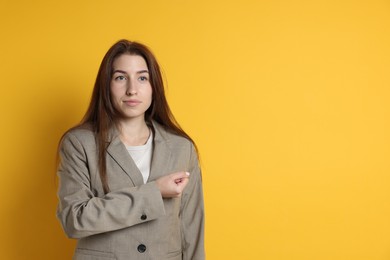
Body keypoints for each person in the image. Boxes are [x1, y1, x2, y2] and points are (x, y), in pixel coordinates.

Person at [56, 39, 205, 260]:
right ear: (106, 85)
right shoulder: (79, 143)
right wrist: (153, 193)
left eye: (142, 78)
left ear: (154, 86)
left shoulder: (182, 148)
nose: (132, 89)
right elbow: (74, 219)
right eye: (120, 78)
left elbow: (192, 231)